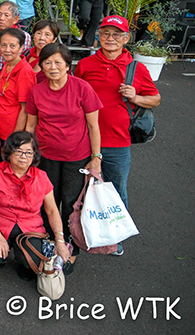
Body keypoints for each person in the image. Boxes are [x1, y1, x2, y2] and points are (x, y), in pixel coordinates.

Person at [75, 15, 160, 255]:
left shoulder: (137, 68)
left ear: (126, 38)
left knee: (115, 191)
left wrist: (135, 97)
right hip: (84, 139)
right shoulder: (86, 65)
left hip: (117, 142)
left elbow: (155, 99)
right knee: (81, 190)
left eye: (116, 35)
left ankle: (114, 238)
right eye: (105, 34)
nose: (110, 39)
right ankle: (82, 232)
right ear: (98, 36)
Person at [26, 42, 102, 272]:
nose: (53, 67)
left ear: (68, 65)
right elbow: (31, 125)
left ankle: (70, 247)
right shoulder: (36, 91)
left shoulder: (82, 88)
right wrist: (27, 153)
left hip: (76, 157)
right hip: (45, 155)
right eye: (47, 63)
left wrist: (96, 156)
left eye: (58, 62)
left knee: (70, 202)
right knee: (47, 201)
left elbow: (93, 126)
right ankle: (49, 243)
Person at [0, 132, 71, 278]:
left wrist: (60, 241)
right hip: (0, 224)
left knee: (32, 263)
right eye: (19, 151)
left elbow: (52, 211)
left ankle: (20, 257)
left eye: (29, 152)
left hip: (30, 227)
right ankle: (4, 248)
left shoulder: (42, 177)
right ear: (9, 153)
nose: (24, 156)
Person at [0, 28, 36, 139]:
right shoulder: (7, 64)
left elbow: (25, 109)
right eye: (3, 45)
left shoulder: (24, 71)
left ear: (21, 48)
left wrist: (16, 137)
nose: (7, 50)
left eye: (12, 46)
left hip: (10, 133)